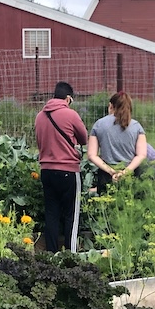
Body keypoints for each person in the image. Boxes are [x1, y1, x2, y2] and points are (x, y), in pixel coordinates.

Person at [34, 81, 89, 251]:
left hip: (47, 171)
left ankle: (51, 254)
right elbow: (84, 138)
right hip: (68, 170)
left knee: (51, 213)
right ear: (68, 98)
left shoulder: (39, 116)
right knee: (71, 215)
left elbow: (38, 141)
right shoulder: (70, 114)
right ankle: (70, 256)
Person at [87, 91, 147, 194]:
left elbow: (91, 155)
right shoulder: (137, 126)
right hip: (131, 175)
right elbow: (141, 155)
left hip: (106, 175)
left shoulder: (99, 125)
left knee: (106, 208)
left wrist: (110, 171)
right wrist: (125, 172)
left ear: (110, 106)